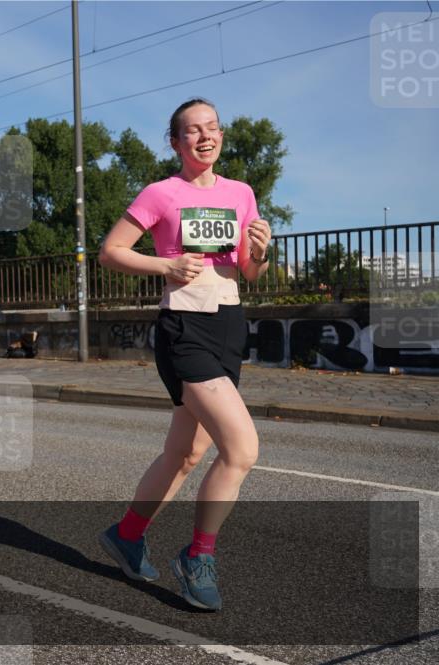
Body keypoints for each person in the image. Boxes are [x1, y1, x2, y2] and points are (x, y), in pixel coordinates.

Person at [97, 98, 272, 611]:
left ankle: (127, 534)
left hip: (229, 324)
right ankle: (198, 556)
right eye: (192, 131)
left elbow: (249, 271)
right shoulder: (160, 192)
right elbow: (111, 250)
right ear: (175, 142)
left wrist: (259, 250)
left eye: (212, 128)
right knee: (240, 449)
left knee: (186, 452)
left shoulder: (241, 193)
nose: (205, 137)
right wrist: (165, 265)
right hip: (184, 327)